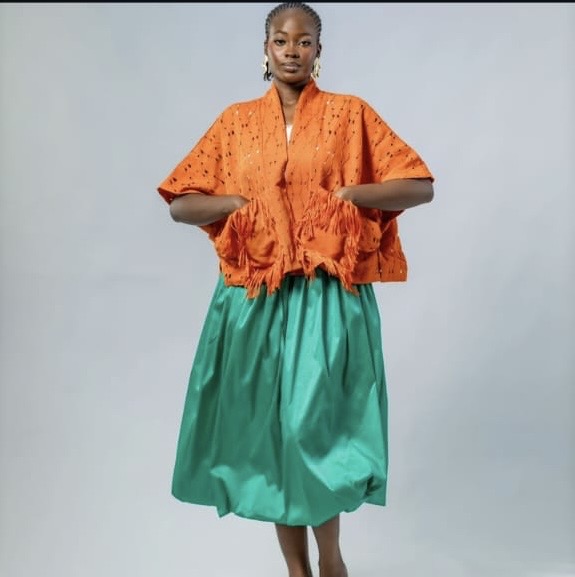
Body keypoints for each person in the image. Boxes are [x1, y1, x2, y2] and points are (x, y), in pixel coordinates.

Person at [157, 3, 434, 576]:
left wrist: (352, 196)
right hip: (253, 301)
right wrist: (235, 203)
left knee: (313, 432)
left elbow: (418, 186)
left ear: (318, 51)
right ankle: (297, 571)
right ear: (265, 49)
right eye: (280, 40)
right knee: (274, 440)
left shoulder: (349, 114)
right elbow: (181, 203)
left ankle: (330, 561)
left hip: (327, 298)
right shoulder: (236, 123)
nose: (291, 51)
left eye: (303, 41)